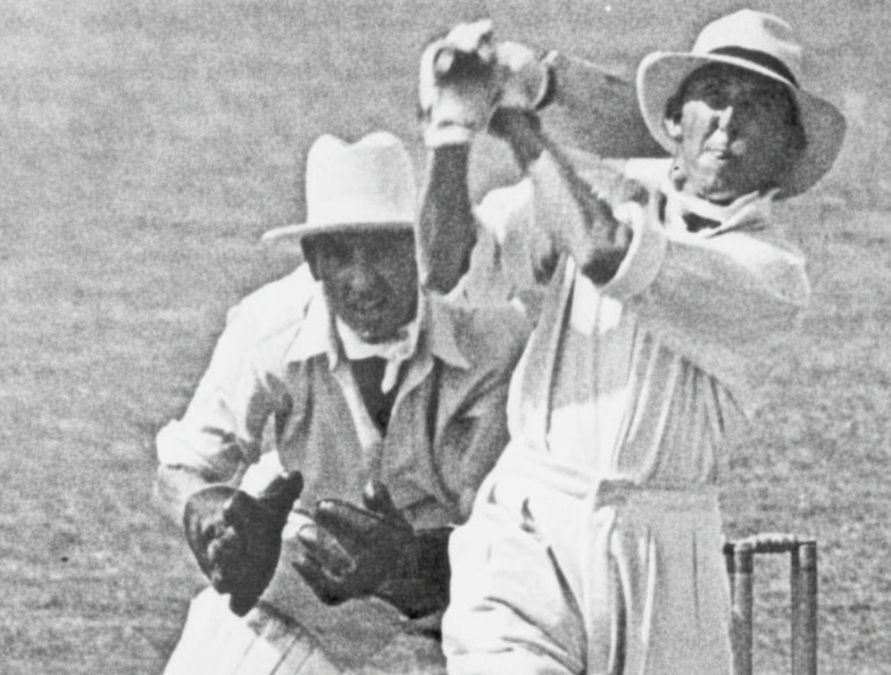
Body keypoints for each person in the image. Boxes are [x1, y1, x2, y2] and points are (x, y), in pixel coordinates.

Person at [416, 10, 845, 674]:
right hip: (529, 525)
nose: (729, 121)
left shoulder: (772, 273)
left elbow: (604, 252)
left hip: (667, 556)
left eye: (757, 107)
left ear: (790, 152)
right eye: (716, 97)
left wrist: (519, 121)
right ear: (675, 121)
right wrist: (450, 128)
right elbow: (449, 268)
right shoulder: (601, 191)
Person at [154, 131, 527, 674]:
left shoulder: (495, 342)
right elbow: (182, 467)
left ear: (421, 245)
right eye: (339, 253)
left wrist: (404, 566)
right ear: (312, 260)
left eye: (382, 250)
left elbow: (504, 540)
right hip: (304, 577)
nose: (361, 279)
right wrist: (209, 518)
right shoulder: (270, 325)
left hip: (452, 602)